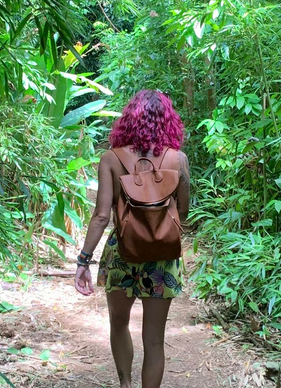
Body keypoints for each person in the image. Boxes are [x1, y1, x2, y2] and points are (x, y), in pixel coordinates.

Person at [74, 89, 190, 388]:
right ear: (168, 121)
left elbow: (101, 216)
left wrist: (83, 260)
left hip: (121, 254)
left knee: (119, 324)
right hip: (163, 256)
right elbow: (184, 212)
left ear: (128, 119)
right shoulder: (178, 160)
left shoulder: (111, 159)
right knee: (154, 341)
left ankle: (125, 384)